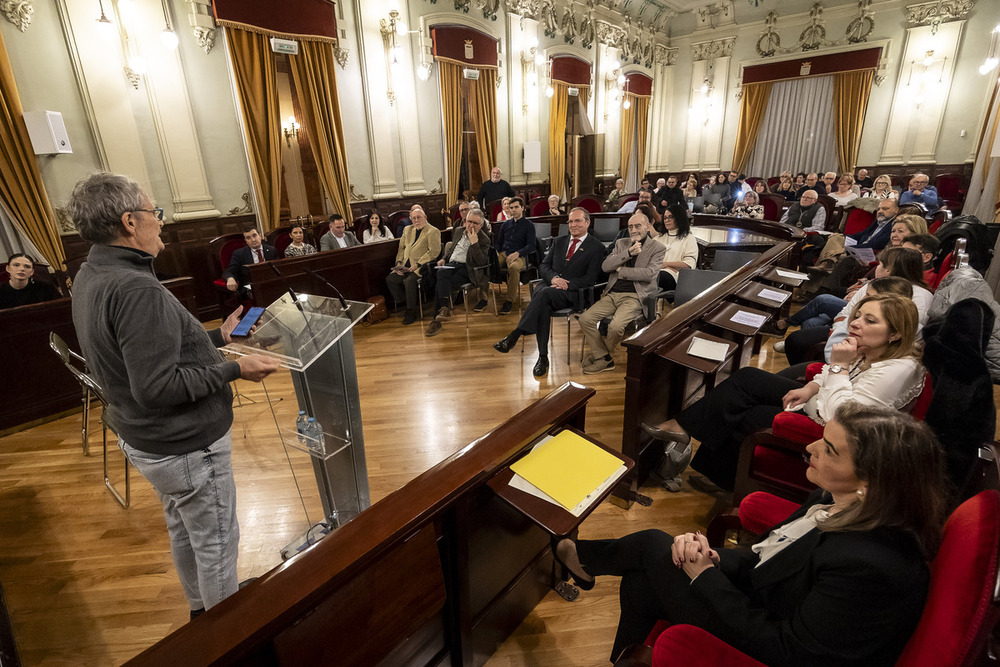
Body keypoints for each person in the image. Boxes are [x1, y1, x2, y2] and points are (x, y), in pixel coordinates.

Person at [554, 401, 948, 665]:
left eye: (829, 449)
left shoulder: (869, 565)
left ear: (872, 481)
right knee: (643, 577)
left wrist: (705, 577)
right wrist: (711, 556)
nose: (810, 446)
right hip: (764, 600)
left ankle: (583, 562)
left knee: (652, 547)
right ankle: (592, 582)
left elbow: (788, 649)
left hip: (766, 644)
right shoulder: (833, 498)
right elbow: (766, 555)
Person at [65, 172, 281, 619]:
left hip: (149, 441)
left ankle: (203, 609)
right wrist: (235, 368)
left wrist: (213, 340)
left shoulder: (92, 272)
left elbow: (143, 351)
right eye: (154, 213)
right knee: (217, 543)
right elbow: (157, 386)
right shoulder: (134, 287)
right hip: (185, 443)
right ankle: (227, 636)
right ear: (129, 221)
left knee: (186, 531)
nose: (160, 223)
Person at [646, 292, 925, 491]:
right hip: (823, 400)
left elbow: (842, 417)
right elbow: (827, 373)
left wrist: (838, 367)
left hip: (843, 434)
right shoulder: (874, 350)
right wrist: (811, 386)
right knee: (747, 378)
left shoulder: (899, 369)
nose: (855, 323)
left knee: (749, 415)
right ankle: (683, 429)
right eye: (859, 315)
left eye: (870, 321)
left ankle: (720, 475)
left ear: (895, 334)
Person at [492, 207, 604, 376]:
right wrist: (553, 279)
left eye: (578, 221)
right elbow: (543, 266)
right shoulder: (559, 241)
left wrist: (565, 284)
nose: (573, 225)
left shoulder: (597, 247)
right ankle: (542, 357)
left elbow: (591, 278)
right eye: (570, 221)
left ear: (587, 222)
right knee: (543, 304)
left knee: (541, 294)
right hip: (550, 287)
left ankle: (515, 335)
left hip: (574, 293)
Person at [578, 211, 665, 374]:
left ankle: (602, 357)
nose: (633, 230)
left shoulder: (657, 248)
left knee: (616, 327)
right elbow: (605, 266)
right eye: (630, 226)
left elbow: (649, 274)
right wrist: (628, 253)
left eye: (638, 226)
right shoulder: (621, 243)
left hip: (635, 297)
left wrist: (621, 270)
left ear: (647, 226)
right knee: (585, 319)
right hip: (612, 294)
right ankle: (604, 358)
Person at [424, 208, 492, 337]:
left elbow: (482, 262)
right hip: (451, 265)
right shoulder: (459, 231)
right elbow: (452, 249)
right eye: (469, 221)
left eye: (475, 223)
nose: (471, 225)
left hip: (468, 269)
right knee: (440, 274)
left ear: (481, 225)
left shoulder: (484, 239)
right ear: (465, 221)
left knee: (441, 281)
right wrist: (444, 258)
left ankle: (438, 318)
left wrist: (474, 244)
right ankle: (443, 309)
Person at [386, 208, 441, 325]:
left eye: (419, 217)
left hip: (422, 267)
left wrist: (418, 264)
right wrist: (399, 264)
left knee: (409, 281)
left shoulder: (433, 231)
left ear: (425, 217)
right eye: (413, 218)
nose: (416, 220)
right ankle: (408, 302)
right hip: (405, 266)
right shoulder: (407, 229)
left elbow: (433, 252)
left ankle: (411, 311)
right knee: (391, 279)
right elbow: (401, 248)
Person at [495, 197, 536, 315]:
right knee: (491, 262)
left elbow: (531, 245)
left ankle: (509, 301)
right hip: (504, 253)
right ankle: (484, 298)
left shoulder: (529, 225)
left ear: (522, 208)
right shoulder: (505, 224)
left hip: (520, 255)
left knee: (513, 267)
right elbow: (499, 242)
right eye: (511, 208)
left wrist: (518, 253)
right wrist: (497, 251)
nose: (513, 210)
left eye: (516, 207)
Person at [223, 224, 278, 298]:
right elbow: (229, 271)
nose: (253, 240)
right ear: (245, 241)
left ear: (260, 235)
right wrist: (230, 278)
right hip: (252, 288)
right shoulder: (239, 254)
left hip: (271, 283)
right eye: (248, 238)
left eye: (254, 235)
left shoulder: (272, 250)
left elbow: (279, 267)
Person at [653, 205, 698, 290]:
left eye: (670, 217)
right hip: (656, 272)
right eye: (665, 218)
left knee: (656, 277)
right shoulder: (659, 238)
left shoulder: (688, 238)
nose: (667, 220)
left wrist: (666, 265)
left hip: (676, 276)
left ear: (679, 218)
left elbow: (689, 265)